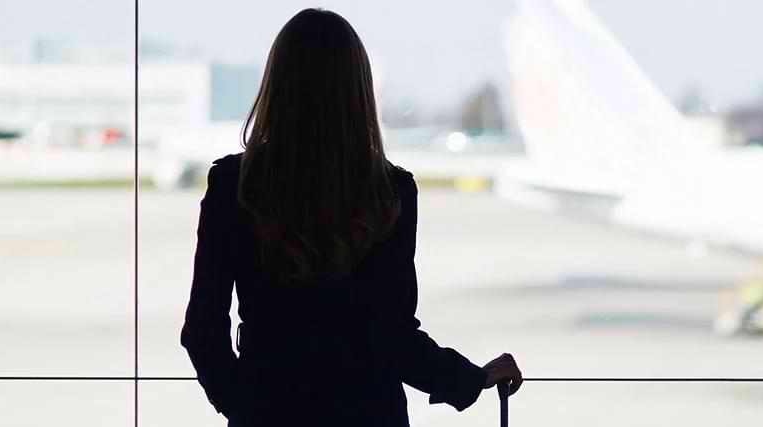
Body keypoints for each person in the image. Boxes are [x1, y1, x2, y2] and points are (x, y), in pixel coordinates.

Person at [181, 9, 522, 426]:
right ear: (358, 90)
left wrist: (244, 405)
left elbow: (202, 330)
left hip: (267, 410)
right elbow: (391, 336)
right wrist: (469, 379)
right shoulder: (390, 192)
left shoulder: (234, 185)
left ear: (277, 85)